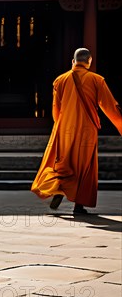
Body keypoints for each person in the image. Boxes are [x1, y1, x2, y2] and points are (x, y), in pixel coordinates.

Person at [31, 47, 122, 215]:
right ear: (89, 62)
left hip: (65, 128)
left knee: (64, 163)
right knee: (84, 167)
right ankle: (78, 206)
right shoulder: (96, 80)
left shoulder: (60, 80)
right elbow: (109, 107)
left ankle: (58, 189)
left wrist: (60, 125)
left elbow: (55, 109)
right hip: (87, 130)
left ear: (73, 61)